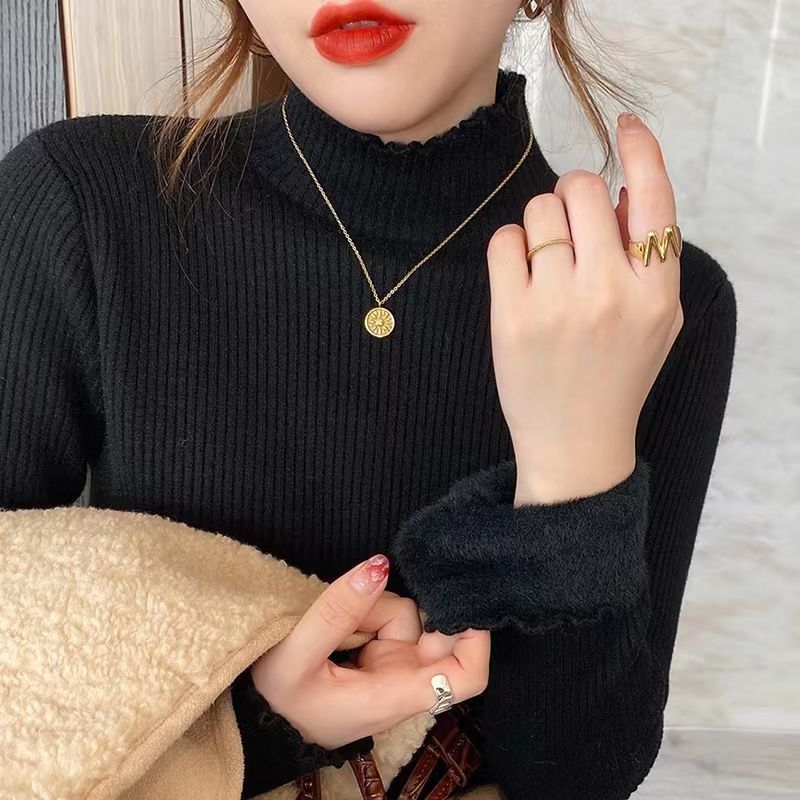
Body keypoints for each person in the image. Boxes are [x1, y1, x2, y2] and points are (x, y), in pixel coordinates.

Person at [0, 0, 737, 798]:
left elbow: (580, 779)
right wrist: (264, 725)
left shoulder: (652, 303)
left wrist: (574, 466)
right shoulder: (81, 202)